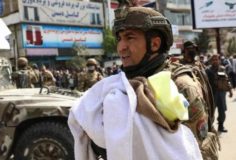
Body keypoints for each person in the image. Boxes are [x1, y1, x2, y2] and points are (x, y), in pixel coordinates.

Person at [68, 5, 208, 160]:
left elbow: (197, 150)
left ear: (154, 44)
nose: (121, 47)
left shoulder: (181, 86)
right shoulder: (118, 85)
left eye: (130, 37)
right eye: (119, 39)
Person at [206, 54, 233, 133]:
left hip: (221, 93)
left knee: (222, 111)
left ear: (219, 60)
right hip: (212, 94)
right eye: (213, 60)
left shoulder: (222, 69)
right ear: (211, 61)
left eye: (216, 59)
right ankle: (209, 127)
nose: (215, 61)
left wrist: (230, 90)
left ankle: (221, 126)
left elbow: (227, 80)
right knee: (210, 111)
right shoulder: (207, 70)